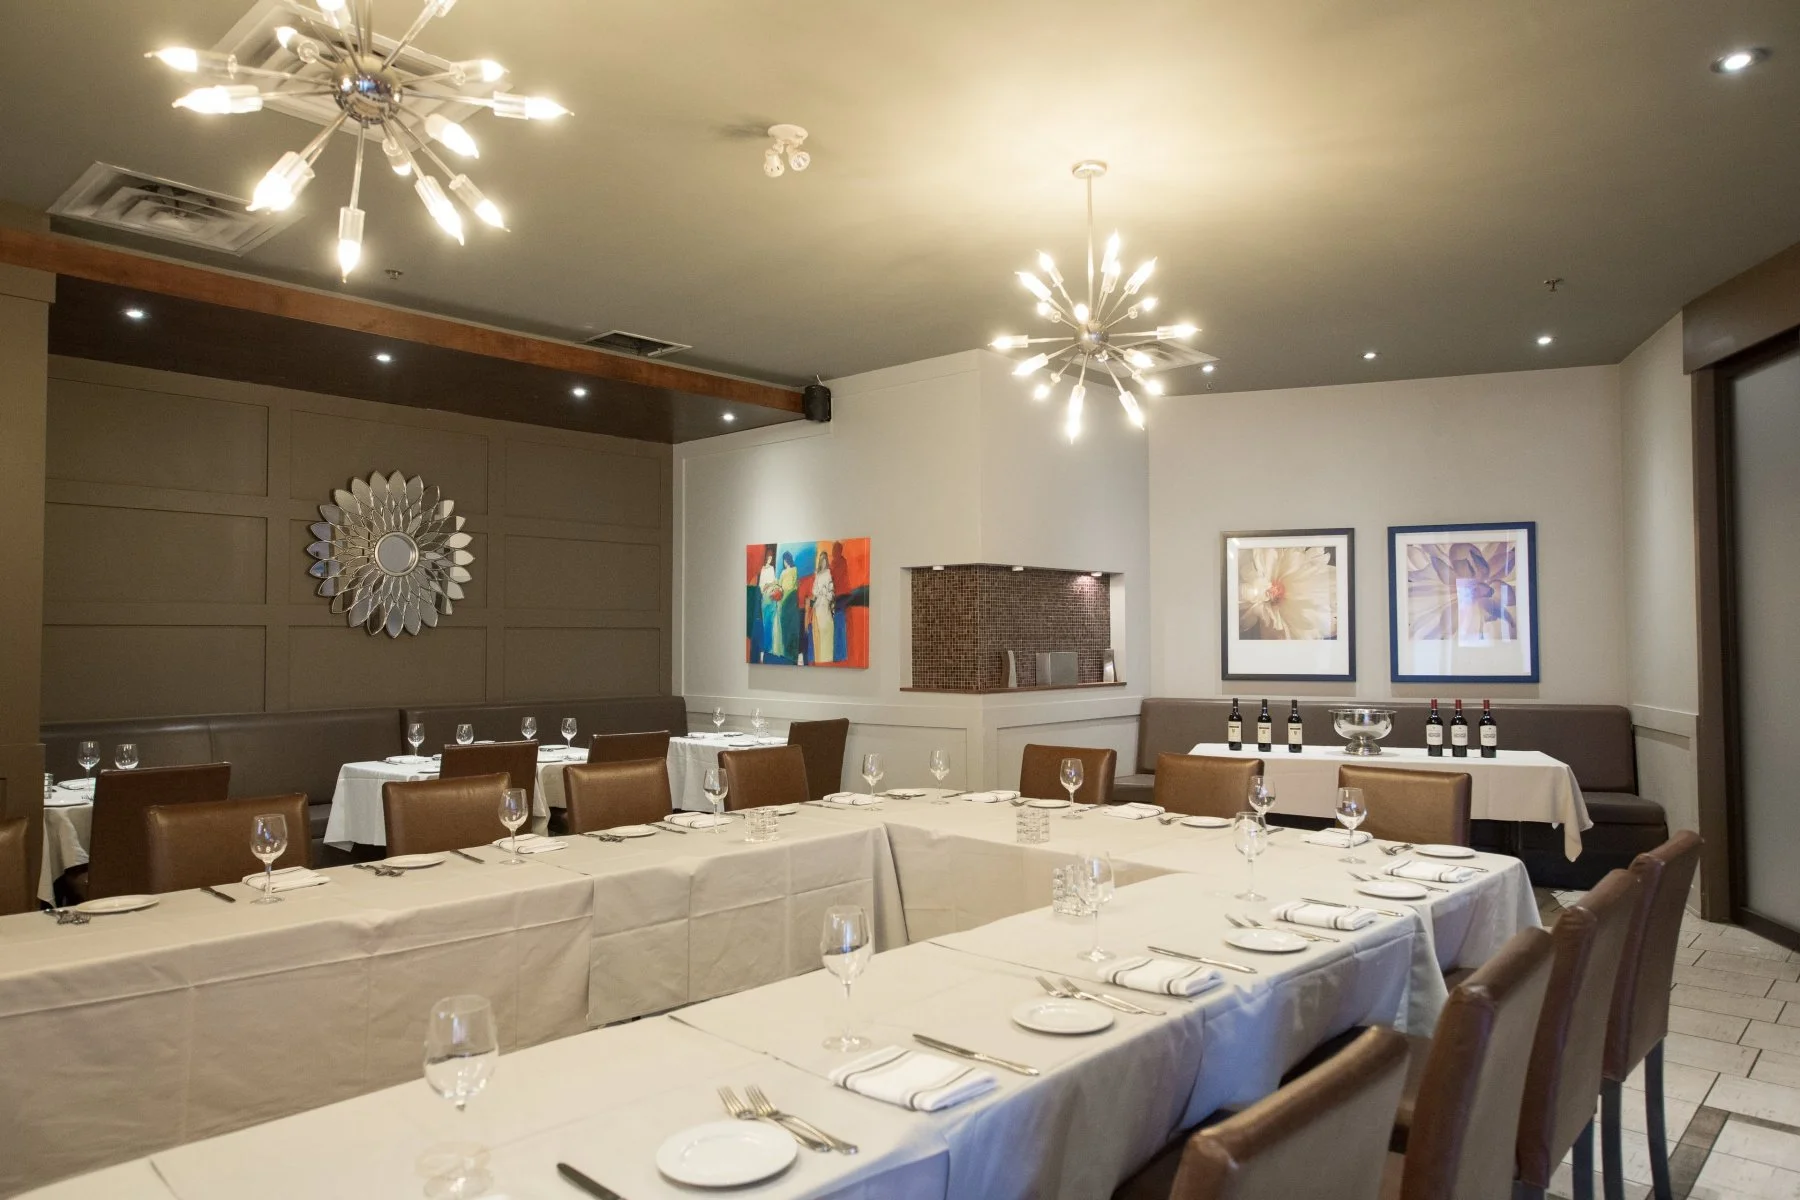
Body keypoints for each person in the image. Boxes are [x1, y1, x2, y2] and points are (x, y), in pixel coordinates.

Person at [811, 549, 837, 665]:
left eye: (825, 560)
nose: (824, 562)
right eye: (822, 560)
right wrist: (819, 592)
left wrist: (827, 593)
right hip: (819, 605)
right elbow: (814, 590)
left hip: (826, 603)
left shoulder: (828, 573)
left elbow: (831, 591)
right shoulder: (817, 574)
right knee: (819, 630)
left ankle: (827, 656)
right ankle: (820, 656)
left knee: (828, 628)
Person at [777, 551, 803, 664]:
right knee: (792, 628)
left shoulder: (784, 573)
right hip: (791, 603)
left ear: (785, 560)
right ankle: (792, 655)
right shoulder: (795, 570)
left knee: (786, 628)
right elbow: (796, 585)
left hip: (786, 603)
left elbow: (780, 588)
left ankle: (787, 654)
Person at [757, 550, 780, 662]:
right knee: (766, 622)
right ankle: (766, 647)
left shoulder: (771, 569)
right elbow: (761, 585)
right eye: (769, 558)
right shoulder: (763, 569)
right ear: (766, 558)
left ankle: (770, 647)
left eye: (771, 558)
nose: (770, 560)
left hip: (771, 597)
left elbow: (774, 581)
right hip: (765, 599)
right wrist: (766, 586)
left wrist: (770, 585)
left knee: (771, 621)